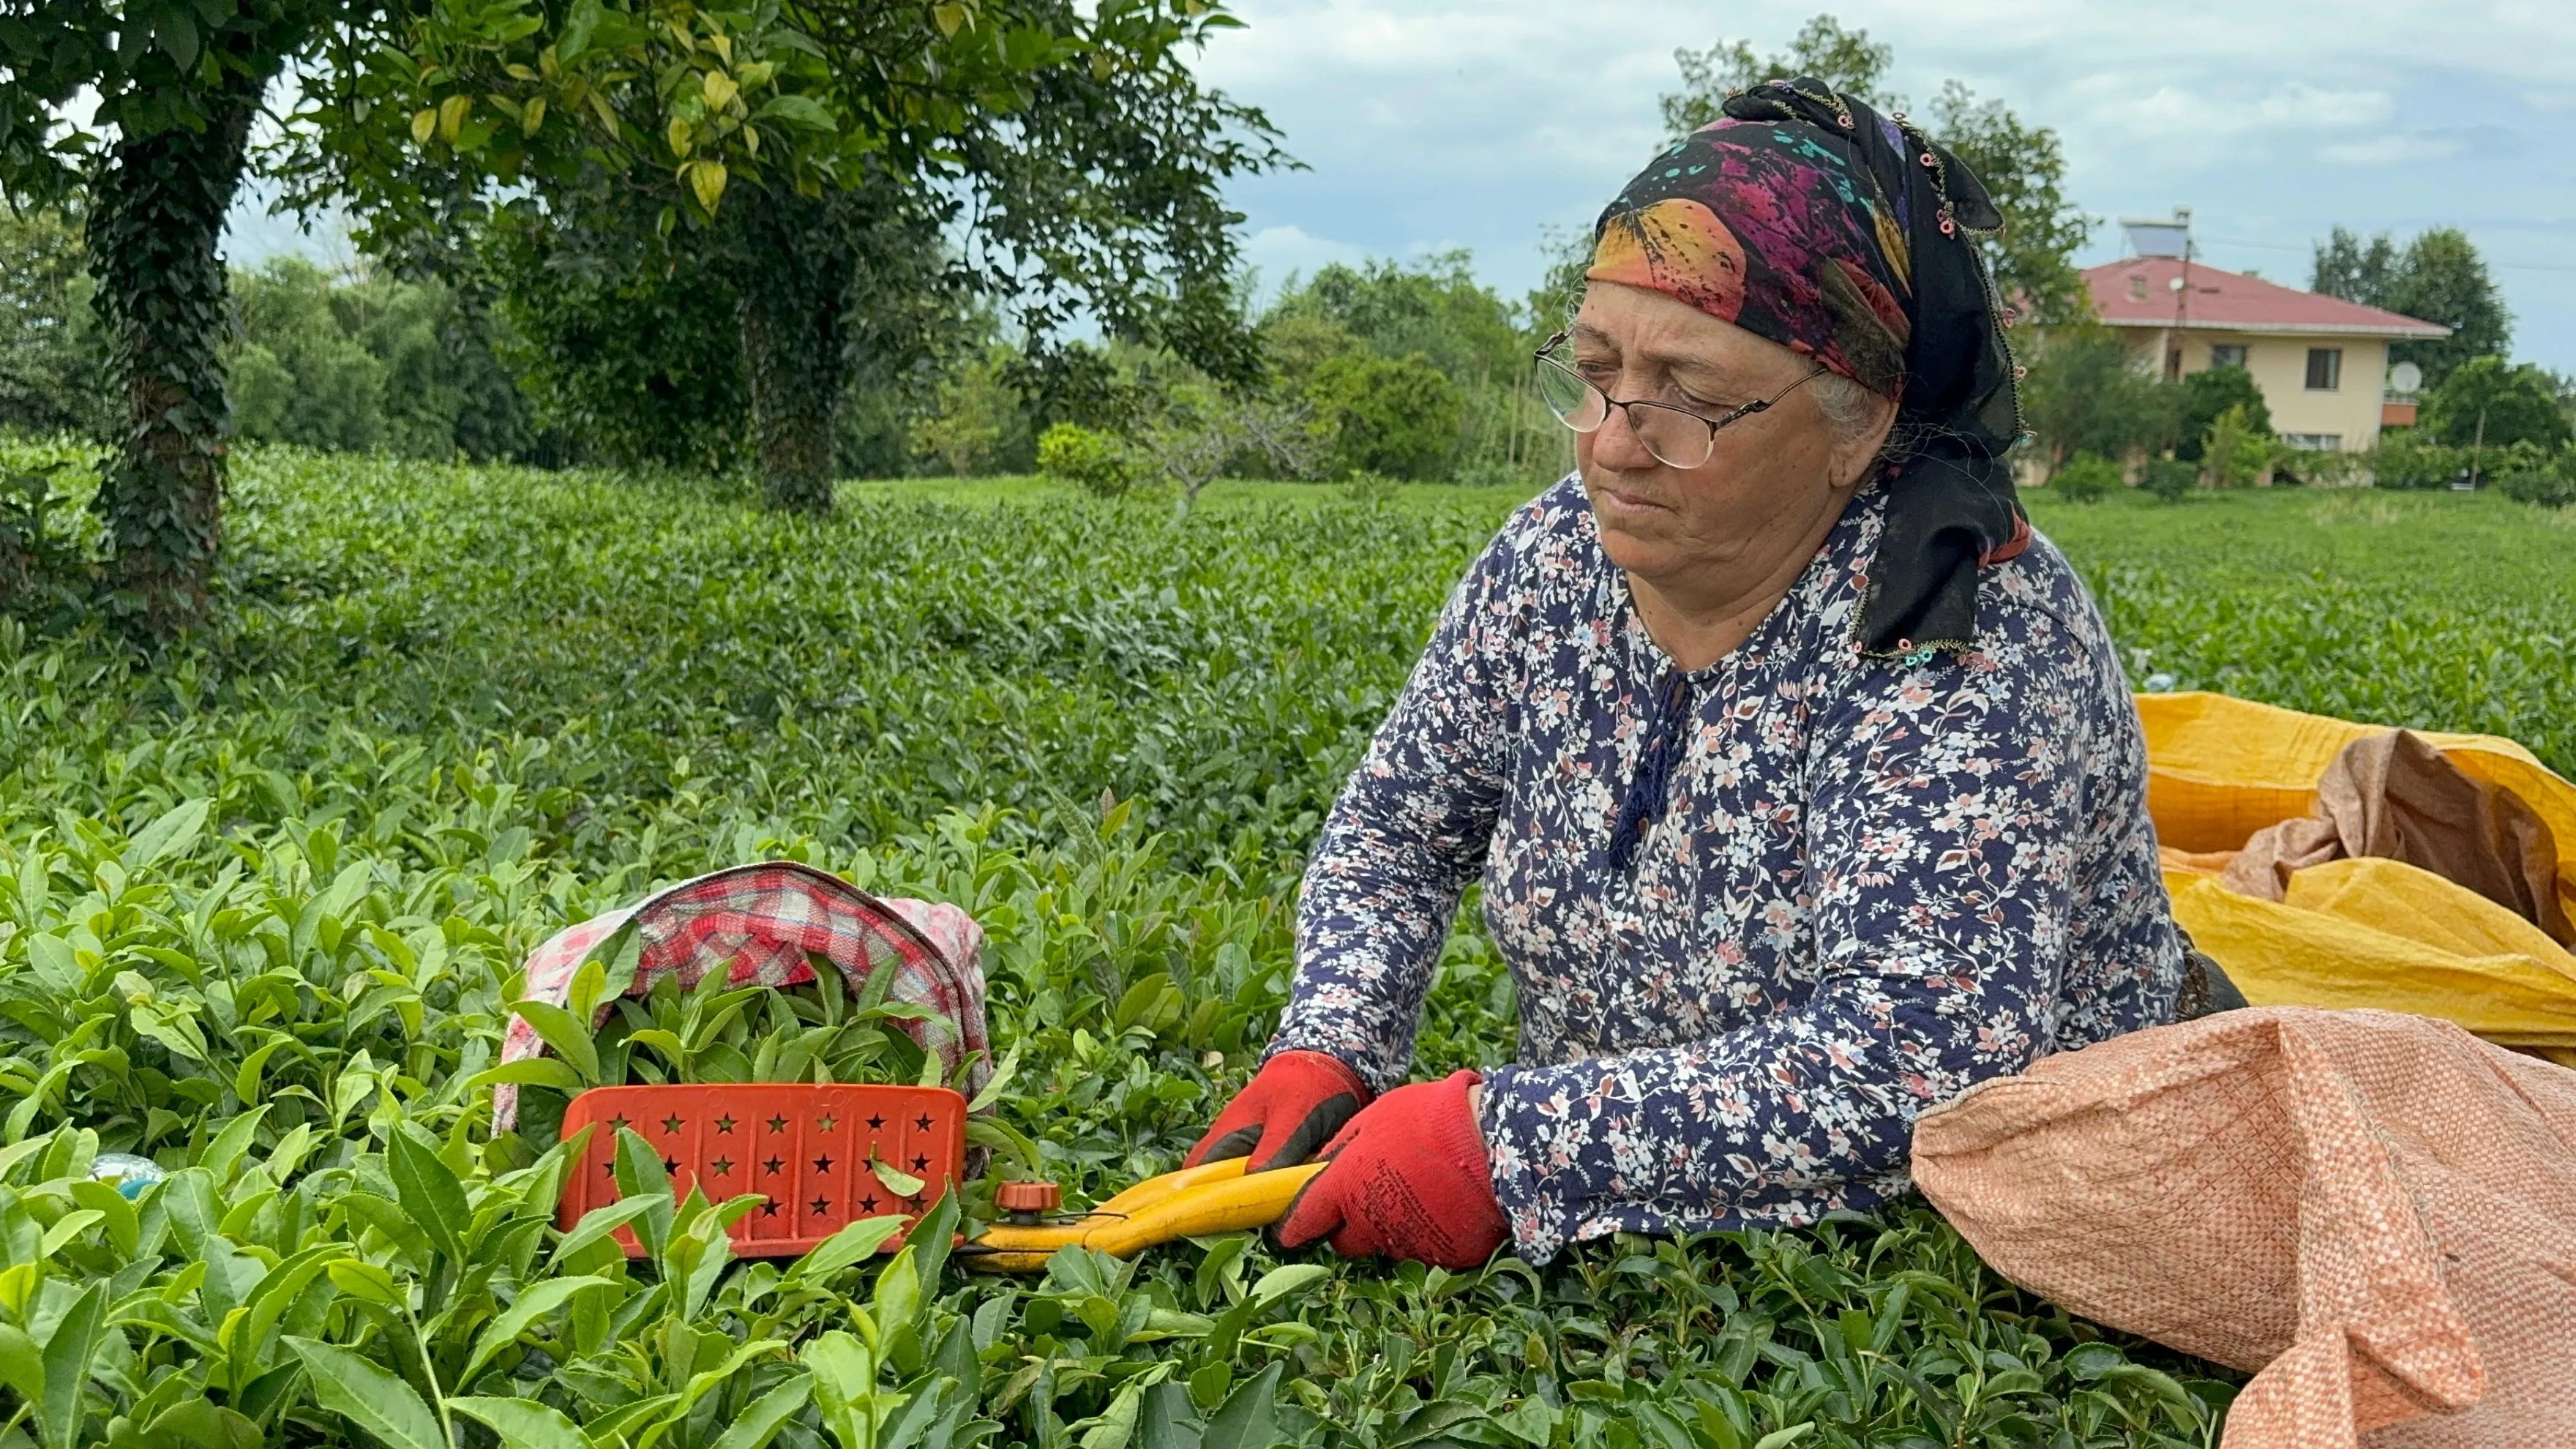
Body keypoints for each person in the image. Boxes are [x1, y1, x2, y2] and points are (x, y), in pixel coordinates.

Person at [1186, 80, 2185, 1269]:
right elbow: (1399, 832)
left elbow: (1925, 1050)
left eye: (1691, 399)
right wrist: (1334, 1039)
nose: (1612, 441)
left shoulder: (1953, 620)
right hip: (1621, 1223)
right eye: (1594, 373)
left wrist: (1507, 1145)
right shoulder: (1553, 559)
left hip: (1948, 1235)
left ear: (1857, 422)